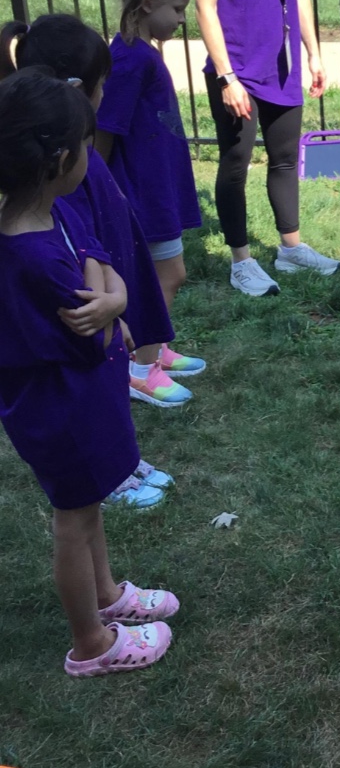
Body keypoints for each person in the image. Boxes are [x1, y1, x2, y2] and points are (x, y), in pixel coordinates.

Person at [0, 68, 177, 677]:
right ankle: (92, 645)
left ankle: (108, 596)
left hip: (83, 401)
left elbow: (98, 256)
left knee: (89, 505)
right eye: (84, 143)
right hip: (63, 413)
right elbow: (91, 329)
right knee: (73, 522)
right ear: (58, 159)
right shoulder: (32, 254)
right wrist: (113, 304)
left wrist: (114, 299)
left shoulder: (50, 213)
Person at [0, 15, 190, 412]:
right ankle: (138, 375)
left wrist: (117, 297)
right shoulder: (57, 175)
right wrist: (111, 304)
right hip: (99, 307)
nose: (106, 93)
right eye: (103, 84)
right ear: (77, 89)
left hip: (112, 277)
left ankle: (148, 356)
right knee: (104, 386)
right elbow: (80, 255)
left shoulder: (70, 154)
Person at [183, 0, 339, 297]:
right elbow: (204, 4)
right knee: (236, 161)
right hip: (237, 69)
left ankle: (290, 249)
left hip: (282, 63)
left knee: (285, 159)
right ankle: (241, 261)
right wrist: (227, 76)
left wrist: (314, 53)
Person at [96, 0, 206, 392]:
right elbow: (105, 130)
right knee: (164, 277)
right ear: (146, 4)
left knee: (167, 274)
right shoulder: (129, 59)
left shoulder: (139, 53)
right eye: (177, 9)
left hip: (156, 185)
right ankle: (139, 369)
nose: (182, 19)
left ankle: (153, 349)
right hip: (138, 193)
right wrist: (99, 190)